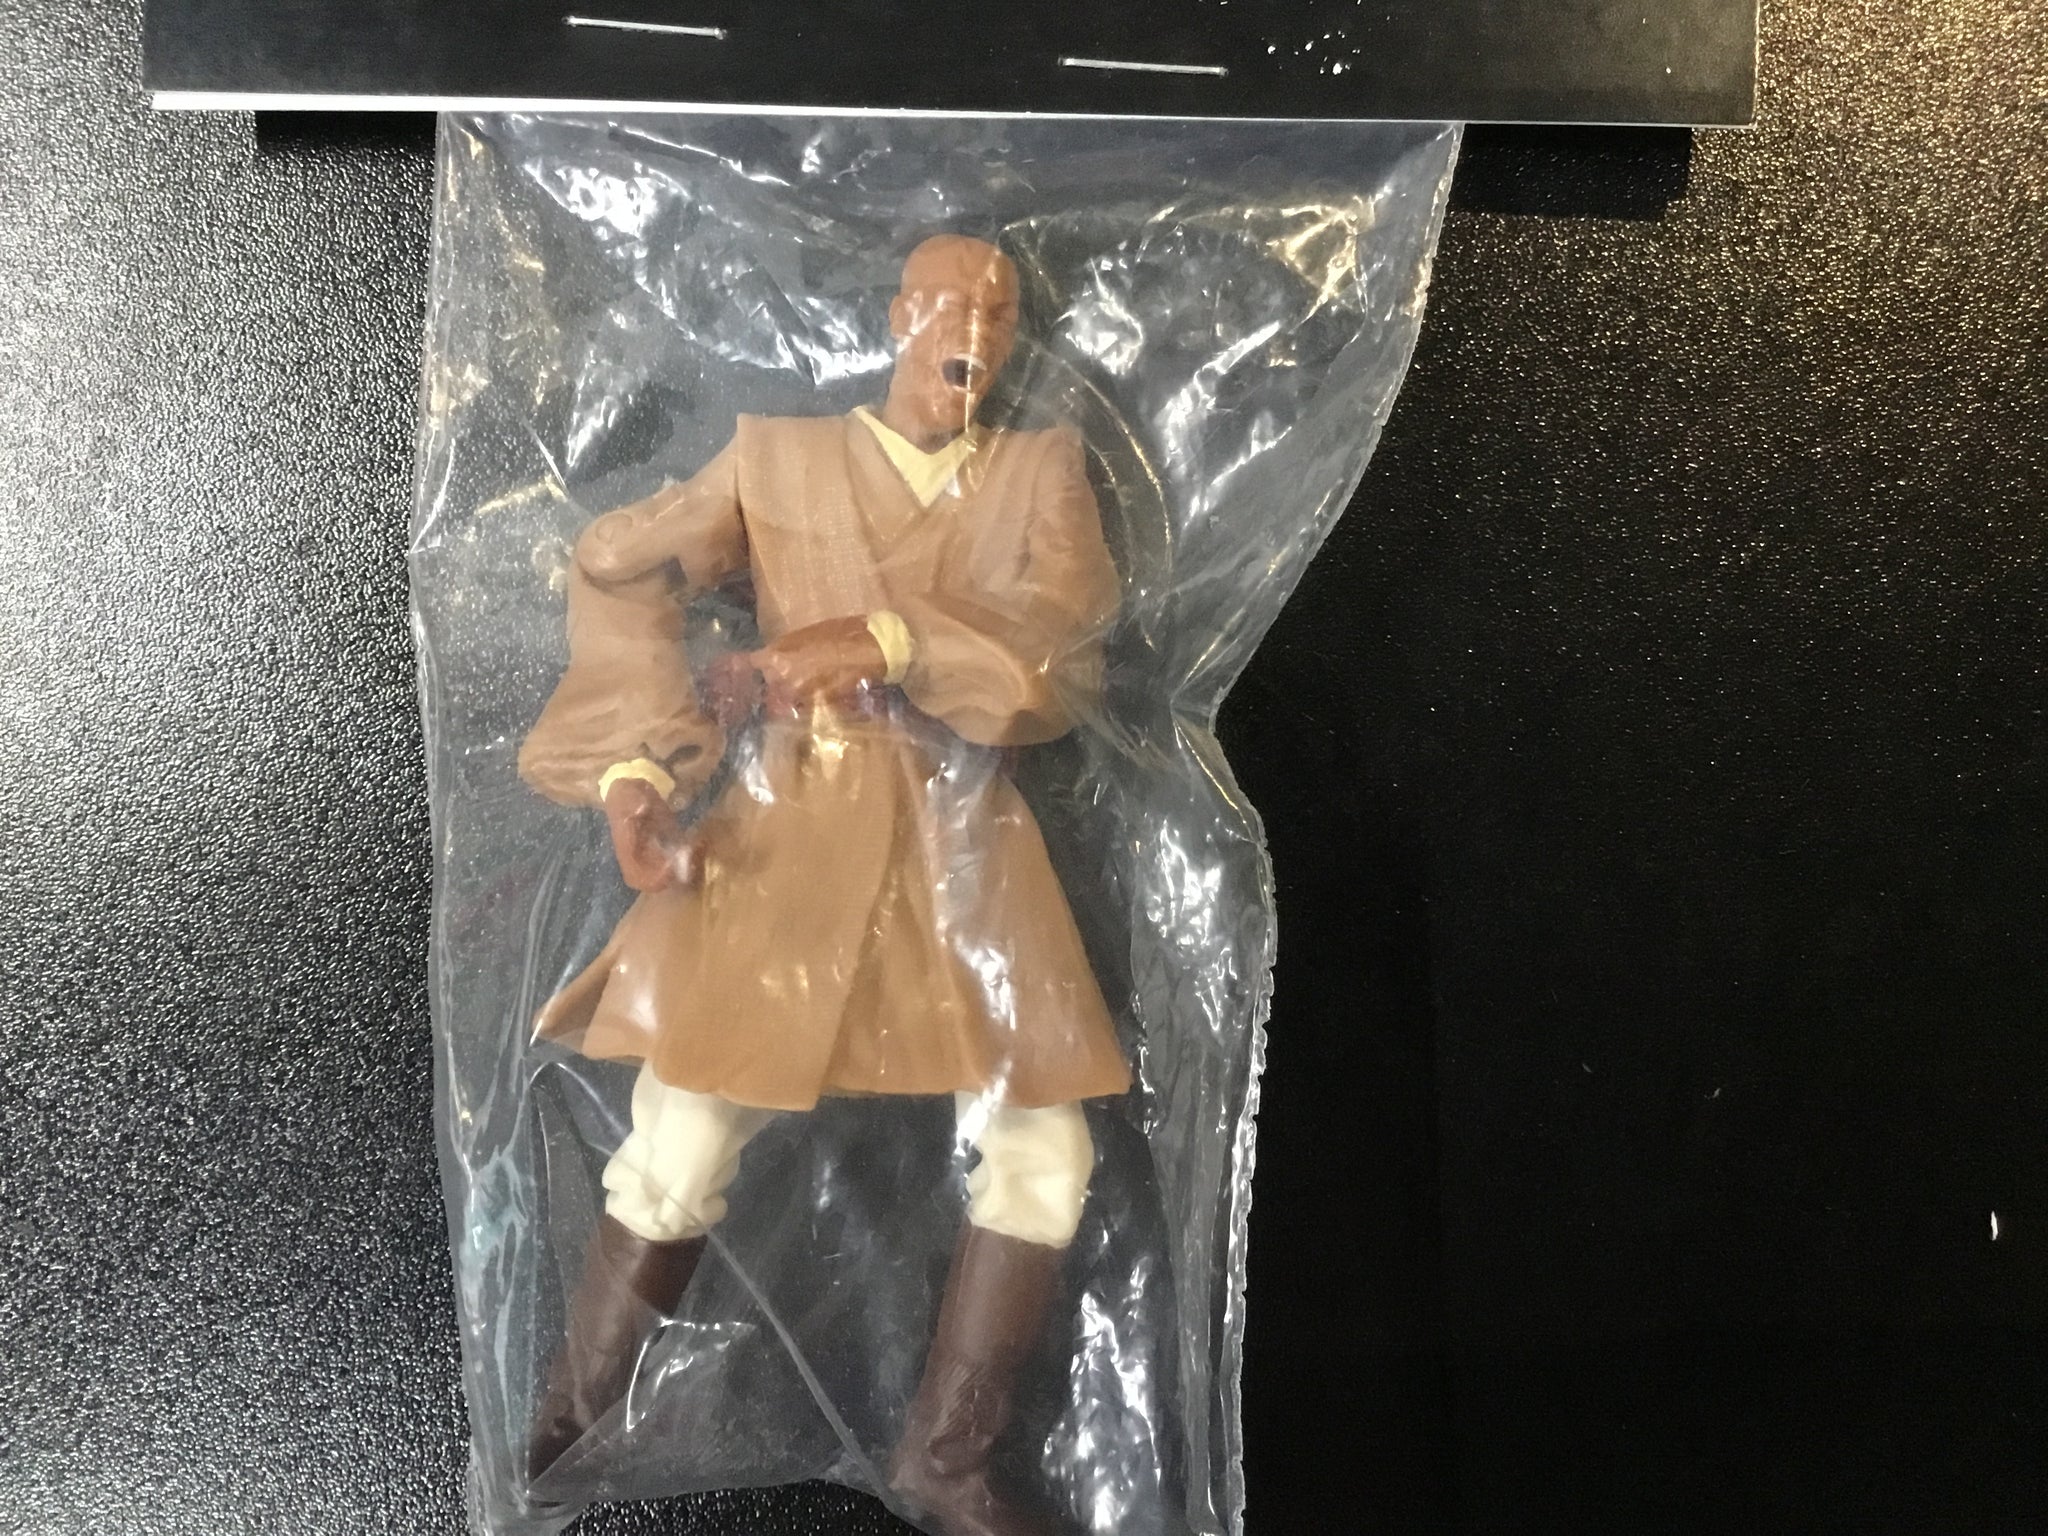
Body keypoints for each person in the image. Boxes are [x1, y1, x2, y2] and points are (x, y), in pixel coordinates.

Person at [517, 233, 1130, 1536]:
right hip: (787, 834)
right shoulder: (780, 459)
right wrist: (635, 770)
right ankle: (566, 1424)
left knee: (1045, 1147)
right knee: (683, 1126)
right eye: (949, 304)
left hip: (966, 843)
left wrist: (894, 641)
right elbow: (622, 570)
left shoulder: (1039, 473)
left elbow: (1060, 660)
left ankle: (948, 1457)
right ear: (900, 316)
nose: (974, 330)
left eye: (999, 311)